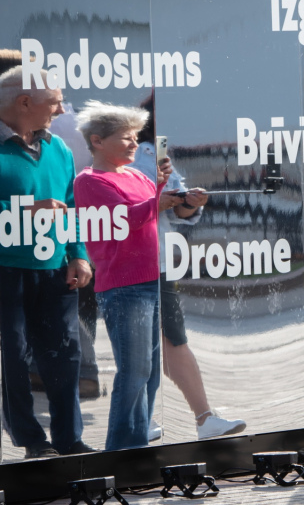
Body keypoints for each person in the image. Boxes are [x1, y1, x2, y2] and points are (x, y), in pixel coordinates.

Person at [0, 66, 94, 458]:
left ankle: (69, 439)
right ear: (25, 103)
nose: (61, 109)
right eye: (55, 100)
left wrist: (78, 255)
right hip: (9, 271)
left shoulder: (57, 148)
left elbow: (71, 206)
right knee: (16, 355)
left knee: (65, 354)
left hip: (56, 270)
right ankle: (31, 442)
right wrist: (29, 210)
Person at [129, 97, 246, 440]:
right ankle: (140, 420)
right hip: (131, 263)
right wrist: (161, 201)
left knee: (173, 341)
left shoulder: (158, 150)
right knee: (139, 346)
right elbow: (122, 207)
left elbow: (174, 206)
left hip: (157, 261)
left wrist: (188, 202)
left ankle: (204, 419)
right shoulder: (128, 152)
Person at [73, 100, 178, 451]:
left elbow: (149, 211)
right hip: (123, 285)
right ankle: (120, 450)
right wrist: (158, 202)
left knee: (148, 373)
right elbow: (122, 219)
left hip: (148, 279)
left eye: (135, 137)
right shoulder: (89, 180)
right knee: (134, 371)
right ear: (98, 141)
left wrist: (177, 196)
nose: (135, 144)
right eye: (126, 138)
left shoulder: (135, 175)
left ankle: (136, 443)